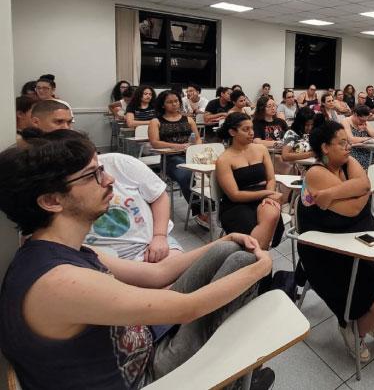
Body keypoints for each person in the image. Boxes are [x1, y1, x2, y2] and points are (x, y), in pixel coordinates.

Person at [0, 130, 274, 389]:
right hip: (146, 376)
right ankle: (235, 379)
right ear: (51, 200)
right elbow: (188, 308)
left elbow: (157, 274)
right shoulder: (59, 282)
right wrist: (262, 267)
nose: (109, 180)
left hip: (142, 341)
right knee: (245, 264)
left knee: (226, 252)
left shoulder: (62, 249)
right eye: (92, 175)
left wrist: (224, 240)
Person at [297, 120, 374, 361]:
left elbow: (365, 185)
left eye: (348, 142)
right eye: (342, 143)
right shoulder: (315, 173)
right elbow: (356, 206)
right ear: (325, 147)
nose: (348, 147)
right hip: (329, 248)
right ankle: (354, 328)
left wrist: (333, 194)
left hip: (363, 235)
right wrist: (356, 190)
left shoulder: (348, 162)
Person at [82, 151, 183, 262]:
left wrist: (160, 236)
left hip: (149, 244)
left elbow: (159, 196)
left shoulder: (120, 163)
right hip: (101, 259)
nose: (110, 179)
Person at [215, 113, 284, 251]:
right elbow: (235, 195)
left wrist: (268, 196)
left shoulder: (261, 149)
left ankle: (256, 261)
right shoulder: (224, 159)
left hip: (263, 198)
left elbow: (270, 178)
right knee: (252, 233)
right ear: (232, 132)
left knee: (271, 213)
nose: (251, 133)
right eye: (246, 129)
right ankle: (259, 262)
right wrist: (268, 193)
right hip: (237, 205)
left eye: (252, 128)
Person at [147, 91, 206, 226]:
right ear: (163, 105)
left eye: (176, 101)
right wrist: (179, 146)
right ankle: (199, 211)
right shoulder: (156, 122)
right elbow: (155, 142)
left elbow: (197, 138)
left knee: (214, 170)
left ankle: (210, 204)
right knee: (187, 174)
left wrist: (194, 149)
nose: (174, 104)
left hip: (191, 156)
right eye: (169, 102)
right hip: (170, 159)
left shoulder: (188, 119)